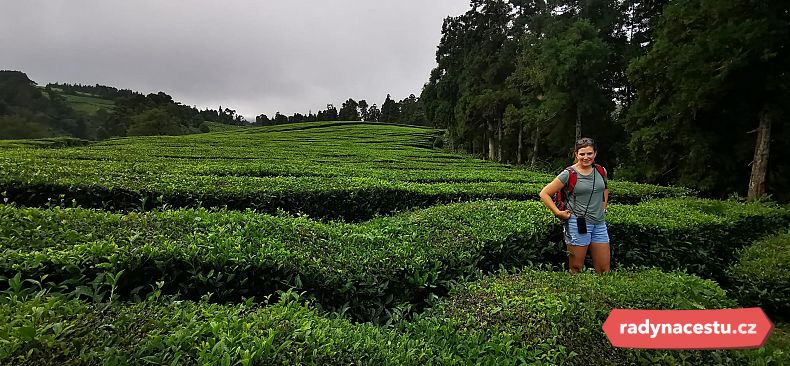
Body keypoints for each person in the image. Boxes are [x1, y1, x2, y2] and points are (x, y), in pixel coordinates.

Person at [539, 137, 610, 273]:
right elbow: (544, 193)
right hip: (577, 223)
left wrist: (603, 207)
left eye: (589, 153)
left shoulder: (601, 171)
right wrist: (557, 212)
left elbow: (604, 188)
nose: (586, 157)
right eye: (582, 154)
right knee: (576, 268)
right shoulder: (569, 173)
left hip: (599, 223)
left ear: (595, 153)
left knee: (603, 269)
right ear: (576, 154)